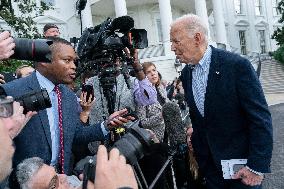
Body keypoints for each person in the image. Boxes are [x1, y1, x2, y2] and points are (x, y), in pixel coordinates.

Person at [2, 37, 134, 188]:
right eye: (67, 60)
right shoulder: (11, 92)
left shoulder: (69, 96)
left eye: (75, 61)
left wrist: (106, 125)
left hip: (62, 179)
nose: (74, 67)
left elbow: (76, 135)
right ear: (43, 60)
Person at [170, 14, 273, 189]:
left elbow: (260, 120)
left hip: (243, 172)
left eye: (176, 41)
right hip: (210, 172)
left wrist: (256, 167)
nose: (172, 48)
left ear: (197, 38)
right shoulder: (186, 74)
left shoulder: (237, 66)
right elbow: (203, 117)